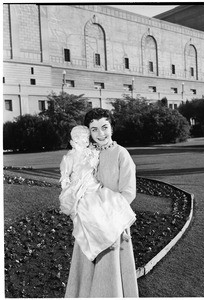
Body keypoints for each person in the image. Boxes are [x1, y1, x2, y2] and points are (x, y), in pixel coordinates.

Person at [65, 108, 139, 298]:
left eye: (104, 127)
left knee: (109, 273)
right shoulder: (86, 154)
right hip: (88, 223)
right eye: (94, 129)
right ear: (88, 132)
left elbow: (128, 192)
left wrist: (107, 217)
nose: (101, 134)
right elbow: (76, 183)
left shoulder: (122, 154)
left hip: (112, 223)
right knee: (86, 271)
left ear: (112, 128)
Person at [59, 125, 136, 261]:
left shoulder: (92, 152)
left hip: (94, 185)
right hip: (80, 188)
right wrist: (67, 188)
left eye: (84, 137)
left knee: (109, 200)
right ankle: (103, 239)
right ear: (72, 141)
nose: (82, 140)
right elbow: (65, 175)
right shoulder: (70, 157)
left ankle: (120, 229)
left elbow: (98, 164)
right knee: (88, 210)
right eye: (78, 138)